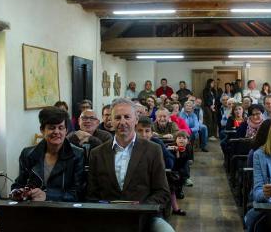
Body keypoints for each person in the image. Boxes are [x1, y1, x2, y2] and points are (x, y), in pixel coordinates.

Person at [87, 98, 173, 232]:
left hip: (144, 217)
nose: (122, 122)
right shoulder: (97, 153)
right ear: (111, 121)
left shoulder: (153, 150)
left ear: (136, 120)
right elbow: (92, 193)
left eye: (127, 117)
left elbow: (162, 191)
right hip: (108, 217)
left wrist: (141, 209)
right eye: (117, 117)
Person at [11, 107, 84, 202]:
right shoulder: (28, 154)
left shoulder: (77, 155)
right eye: (51, 128)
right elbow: (19, 184)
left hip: (64, 211)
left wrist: (47, 195)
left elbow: (78, 194)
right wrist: (18, 192)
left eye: (61, 128)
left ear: (66, 130)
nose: (57, 132)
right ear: (42, 130)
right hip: (33, 209)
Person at [167, 131, 194, 216]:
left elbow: (180, 163)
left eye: (184, 138)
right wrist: (171, 149)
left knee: (184, 167)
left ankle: (183, 182)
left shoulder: (188, 149)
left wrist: (178, 152)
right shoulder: (172, 147)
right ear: (176, 140)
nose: (181, 140)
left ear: (188, 141)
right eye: (179, 138)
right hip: (172, 168)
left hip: (179, 168)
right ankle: (175, 207)